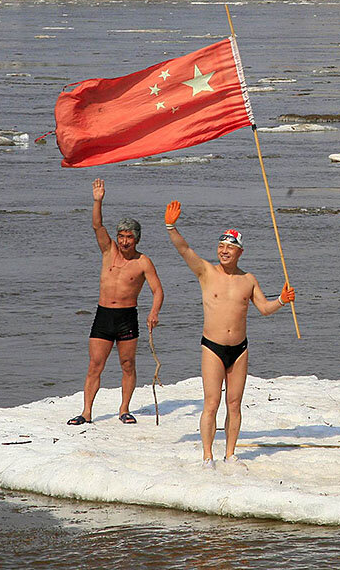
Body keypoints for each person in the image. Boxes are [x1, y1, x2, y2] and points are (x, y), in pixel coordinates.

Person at [164, 200, 294, 468]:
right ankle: (207, 457)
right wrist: (171, 227)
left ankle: (230, 454)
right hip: (212, 347)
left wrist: (281, 300)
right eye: (221, 247)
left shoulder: (249, 279)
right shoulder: (206, 272)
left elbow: (264, 309)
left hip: (240, 348)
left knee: (234, 404)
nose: (224, 252)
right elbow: (184, 249)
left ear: (240, 252)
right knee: (211, 403)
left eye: (230, 248)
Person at [67, 178, 164, 426]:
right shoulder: (108, 250)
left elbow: (158, 290)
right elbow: (97, 226)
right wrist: (97, 201)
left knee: (127, 364)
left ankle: (124, 409)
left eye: (128, 237)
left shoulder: (143, 262)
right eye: (121, 236)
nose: (123, 241)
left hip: (126, 317)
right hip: (103, 316)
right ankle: (86, 412)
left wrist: (154, 312)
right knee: (94, 365)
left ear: (137, 239)